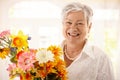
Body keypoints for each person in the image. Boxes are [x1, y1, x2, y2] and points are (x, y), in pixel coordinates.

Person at [61, 2, 115, 80]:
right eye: (69, 22)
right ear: (63, 24)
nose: (73, 28)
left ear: (89, 27)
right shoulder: (50, 55)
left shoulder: (101, 58)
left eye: (79, 23)